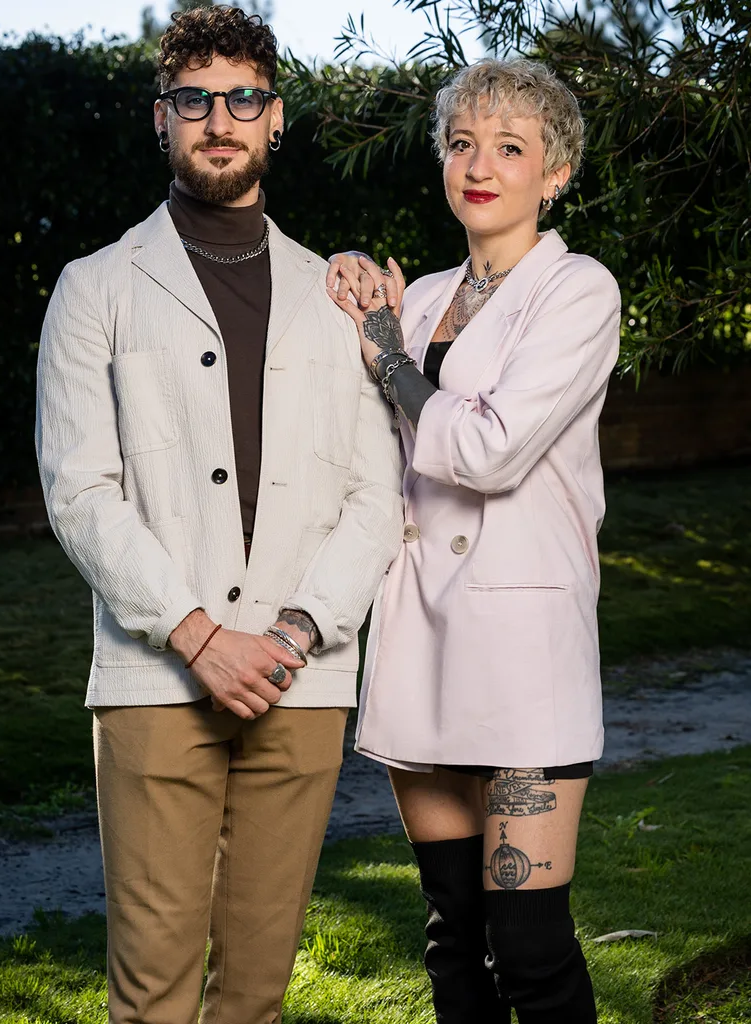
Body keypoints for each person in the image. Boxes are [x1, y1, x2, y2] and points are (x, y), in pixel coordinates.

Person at [35, 7, 403, 1022]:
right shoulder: (94, 290)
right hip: (157, 677)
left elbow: (378, 495)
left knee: (256, 990)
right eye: (194, 99)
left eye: (243, 97)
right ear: (163, 120)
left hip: (304, 674)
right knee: (151, 991)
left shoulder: (340, 296)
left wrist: (288, 634)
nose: (219, 119)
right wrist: (199, 636)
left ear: (274, 117)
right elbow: (80, 492)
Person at [326, 58, 620, 1023]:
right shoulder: (417, 299)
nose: (479, 165)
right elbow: (361, 430)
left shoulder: (577, 290)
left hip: (521, 647)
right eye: (461, 143)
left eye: (509, 147)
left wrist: (394, 367)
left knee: (529, 945)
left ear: (555, 172)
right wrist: (346, 285)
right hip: (420, 634)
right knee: (453, 934)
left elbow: (489, 450)